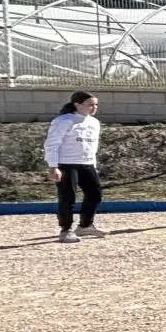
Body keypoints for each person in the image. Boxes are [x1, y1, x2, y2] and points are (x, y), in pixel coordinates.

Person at [44, 91, 107, 244]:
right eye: (90, 105)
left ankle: (85, 225)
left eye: (96, 105)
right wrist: (53, 166)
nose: (94, 107)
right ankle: (66, 230)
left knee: (95, 194)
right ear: (77, 104)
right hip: (66, 163)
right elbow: (52, 144)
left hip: (86, 163)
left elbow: (93, 146)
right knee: (68, 197)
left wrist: (93, 165)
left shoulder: (94, 122)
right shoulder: (63, 121)